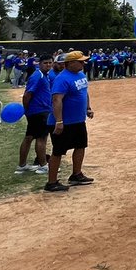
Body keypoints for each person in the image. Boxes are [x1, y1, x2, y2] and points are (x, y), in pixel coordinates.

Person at [45, 51, 93, 192]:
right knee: (58, 151)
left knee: (80, 146)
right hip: (64, 123)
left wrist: (88, 108)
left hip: (78, 120)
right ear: (70, 63)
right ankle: (51, 183)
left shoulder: (81, 75)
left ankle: (76, 175)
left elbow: (84, 92)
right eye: (80, 61)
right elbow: (56, 99)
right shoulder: (62, 78)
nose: (83, 63)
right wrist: (59, 121)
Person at [15, 54, 53, 175]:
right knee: (41, 138)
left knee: (29, 137)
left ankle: (22, 165)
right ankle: (43, 165)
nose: (48, 65)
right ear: (40, 64)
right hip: (39, 111)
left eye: (50, 63)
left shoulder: (44, 75)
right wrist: (27, 110)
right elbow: (27, 95)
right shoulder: (38, 76)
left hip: (38, 110)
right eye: (45, 63)